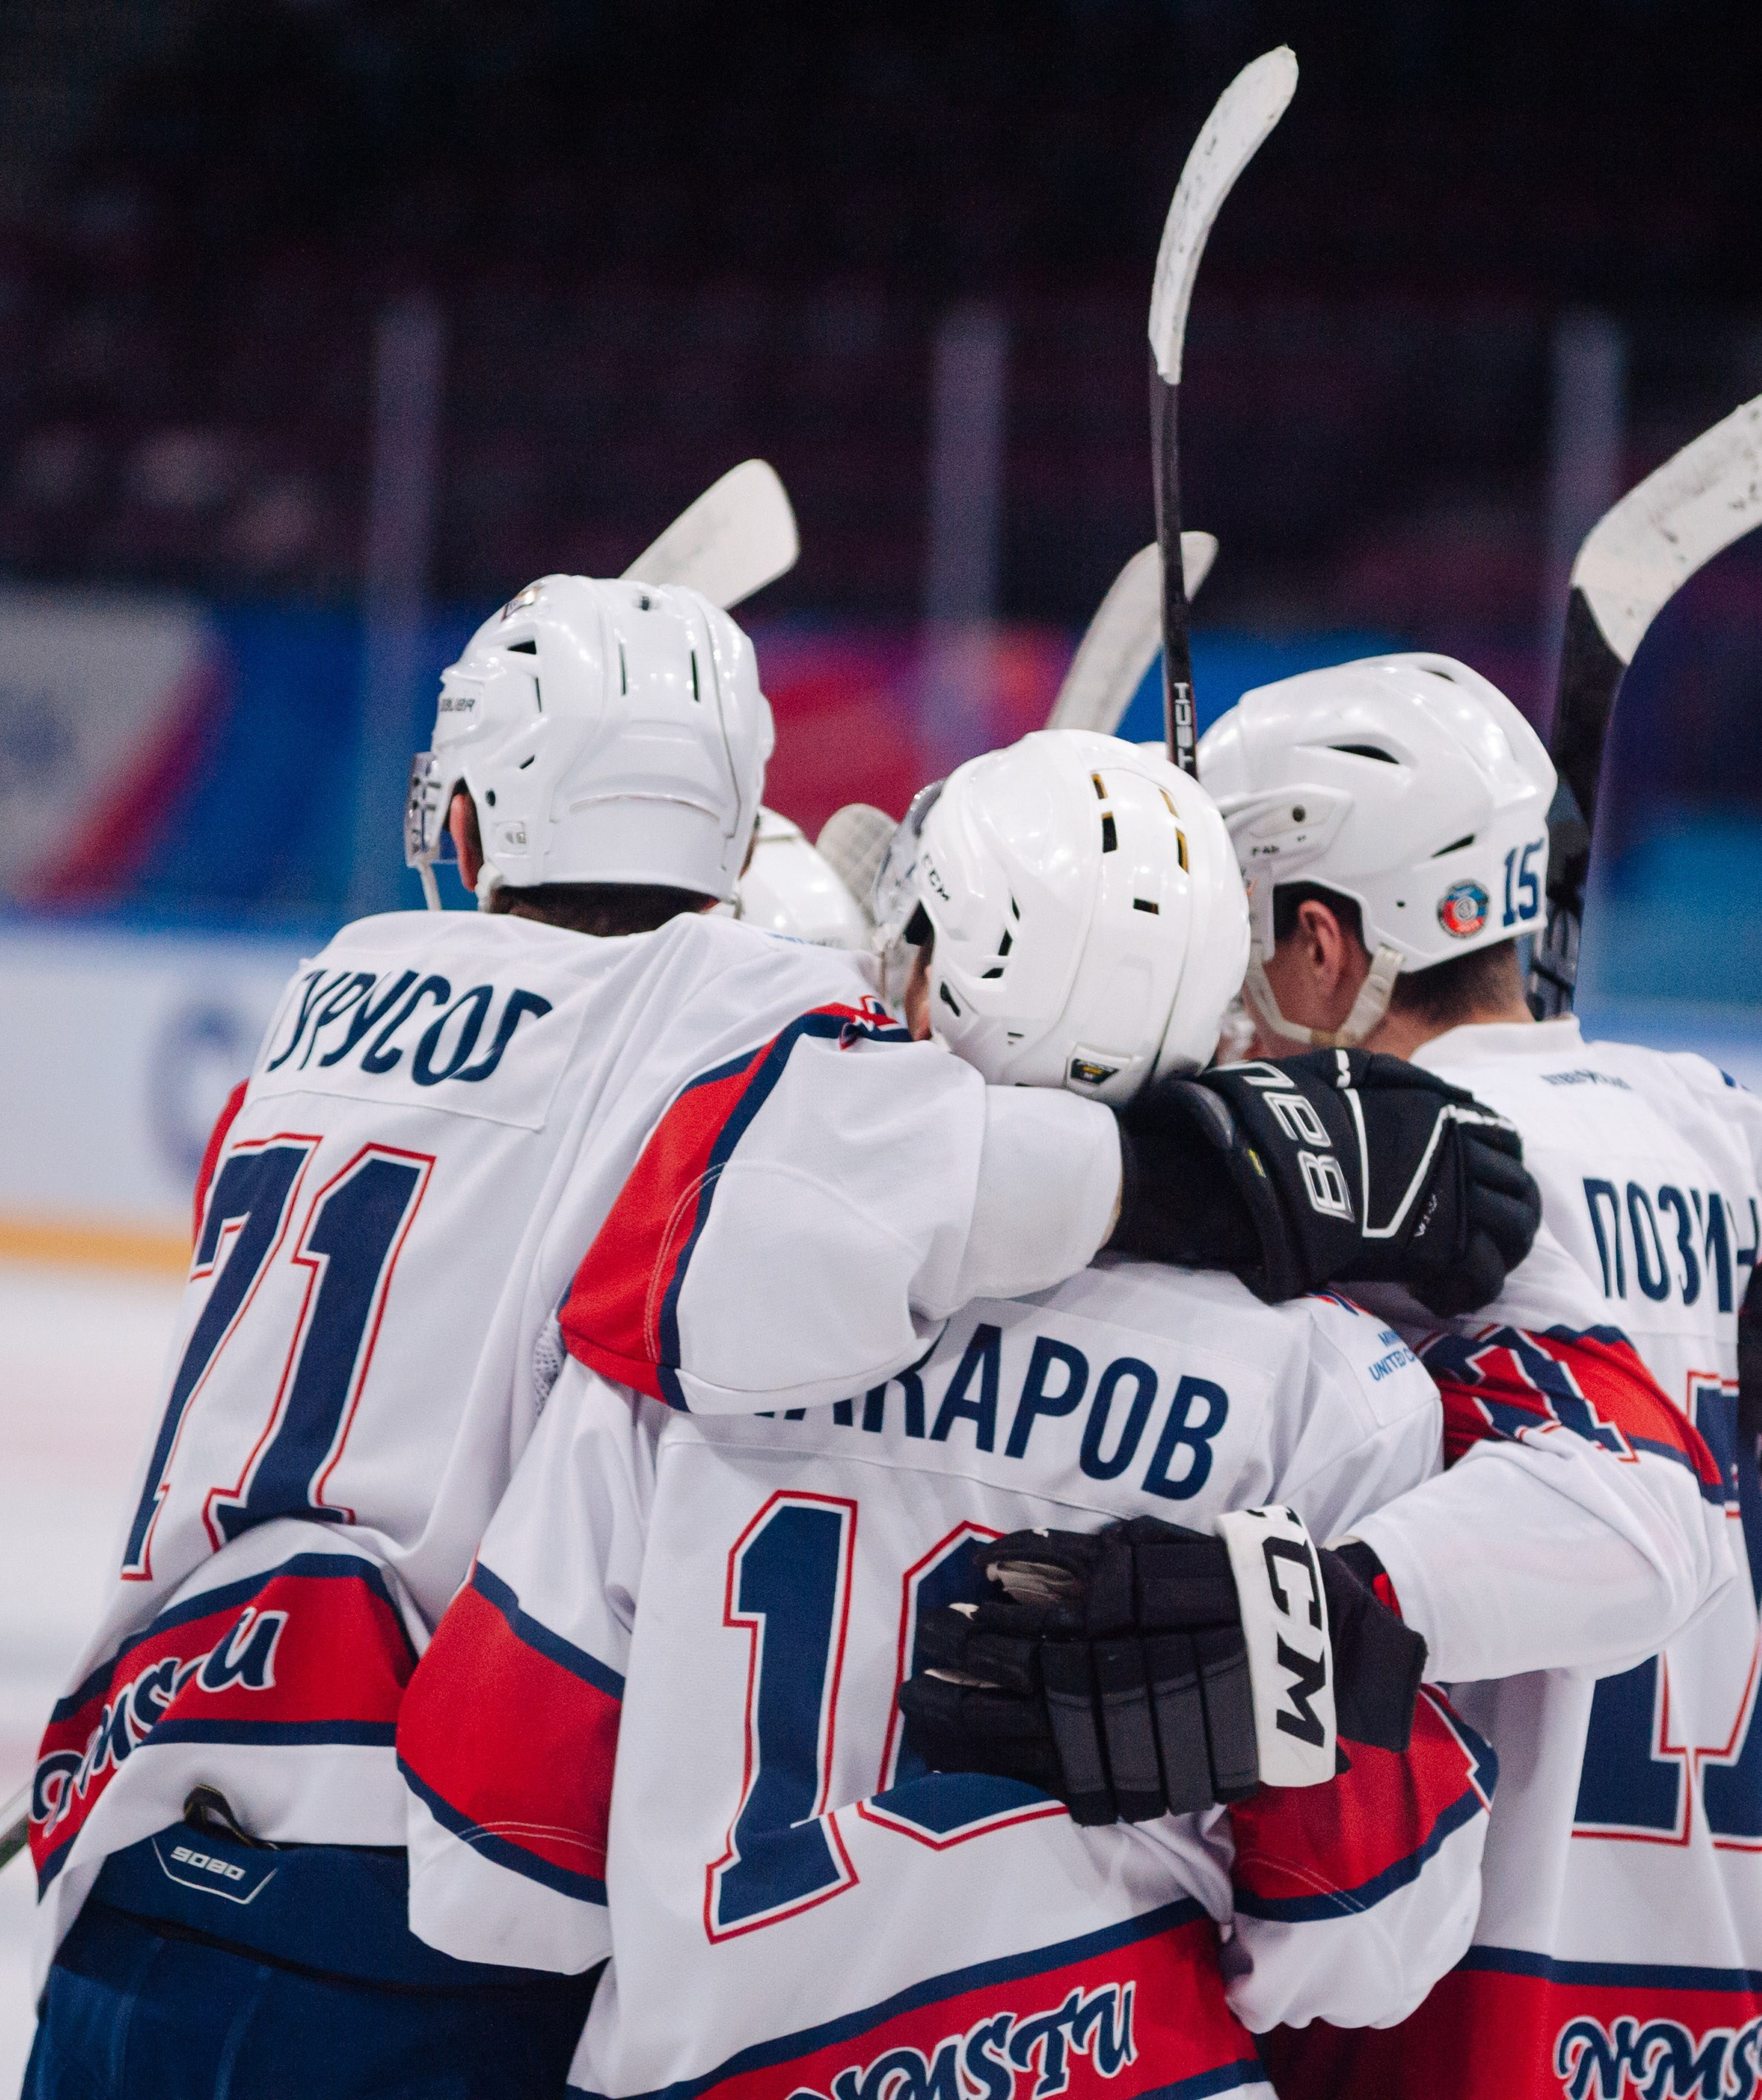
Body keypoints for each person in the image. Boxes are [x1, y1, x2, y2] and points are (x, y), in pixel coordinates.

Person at [20, 598, 1541, 2100]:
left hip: (137, 1838)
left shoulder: (321, 997)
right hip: (401, 1922)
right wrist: (1244, 1162)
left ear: (471, 834)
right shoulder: (756, 1035)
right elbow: (964, 1169)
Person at [909, 655, 1762, 2100]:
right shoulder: (1725, 1142)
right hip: (1728, 2046)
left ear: (1324, 947)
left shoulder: (1346, 1198)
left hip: (1436, 2037)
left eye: (1239, 931)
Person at [395, 731, 1503, 2099]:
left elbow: (492, 1865)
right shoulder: (1332, 1390)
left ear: (927, 964)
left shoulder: (684, 1337)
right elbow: (1372, 1940)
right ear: (1225, 1019)